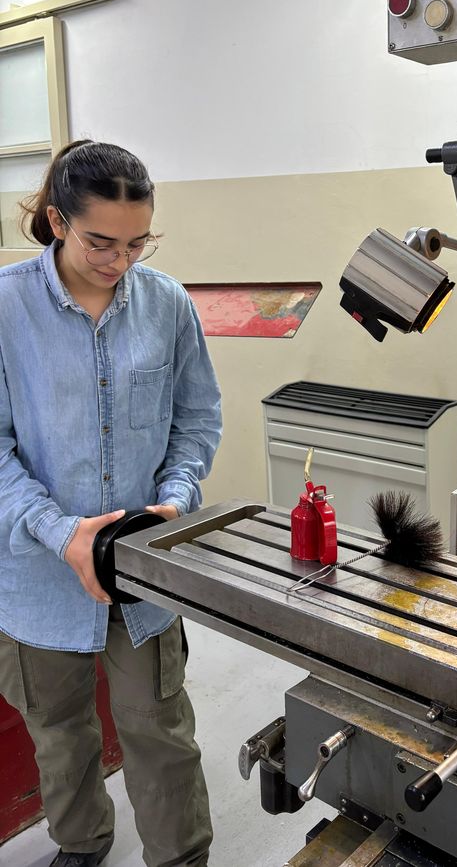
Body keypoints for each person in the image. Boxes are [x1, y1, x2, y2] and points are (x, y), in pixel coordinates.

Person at [0, 140, 222, 867]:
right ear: (58, 221)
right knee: (60, 731)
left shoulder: (166, 303)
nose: (120, 261)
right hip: (38, 573)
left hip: (144, 568)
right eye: (101, 241)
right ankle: (82, 843)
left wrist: (175, 499)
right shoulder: (6, 308)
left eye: (137, 242)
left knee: (158, 727)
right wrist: (59, 532)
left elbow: (196, 420)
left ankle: (181, 857)